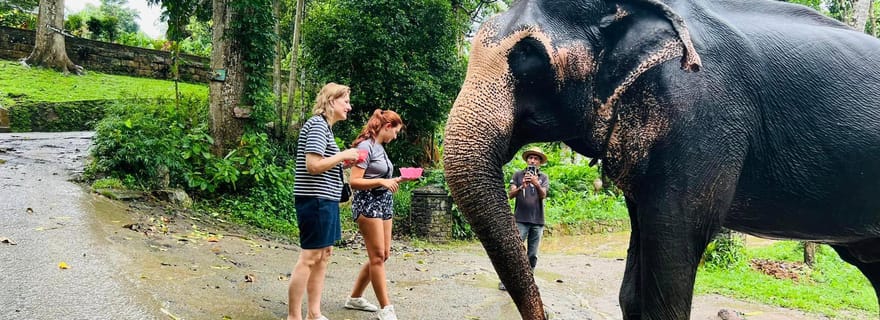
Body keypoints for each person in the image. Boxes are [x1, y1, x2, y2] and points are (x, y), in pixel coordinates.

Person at [288, 82, 360, 320]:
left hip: (325, 200)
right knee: (309, 257)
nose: (349, 107)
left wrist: (341, 161)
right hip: (315, 200)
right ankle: (294, 316)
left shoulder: (326, 129)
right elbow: (312, 165)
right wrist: (342, 155)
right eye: (346, 101)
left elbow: (323, 162)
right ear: (331, 101)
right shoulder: (318, 125)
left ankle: (314, 313)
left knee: (324, 253)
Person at [343, 109, 406, 320]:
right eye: (395, 132)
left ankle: (355, 297)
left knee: (383, 255)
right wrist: (381, 181)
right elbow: (354, 181)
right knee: (377, 256)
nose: (395, 137)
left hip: (384, 202)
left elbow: (381, 177)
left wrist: (397, 180)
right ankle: (386, 308)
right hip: (368, 203)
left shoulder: (380, 147)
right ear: (387, 127)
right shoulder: (365, 146)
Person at [499, 147, 550, 291]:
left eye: (536, 159)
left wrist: (536, 183)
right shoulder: (517, 175)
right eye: (530, 158)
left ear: (539, 162)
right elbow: (510, 194)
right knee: (514, 250)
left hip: (538, 221)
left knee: (532, 254)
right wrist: (522, 186)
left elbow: (543, 195)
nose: (533, 160)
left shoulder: (543, 177)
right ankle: (506, 280)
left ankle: (528, 280)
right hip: (520, 219)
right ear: (527, 160)